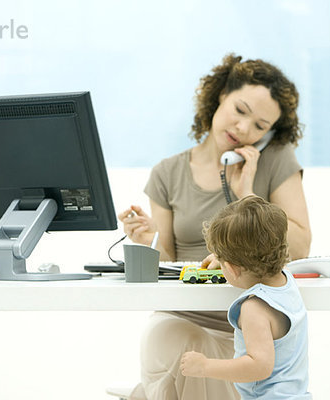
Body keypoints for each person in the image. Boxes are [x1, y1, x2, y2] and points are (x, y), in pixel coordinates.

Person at [118, 53, 311, 400]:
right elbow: (167, 261)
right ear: (220, 95)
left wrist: (247, 194)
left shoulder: (275, 161)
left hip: (247, 330)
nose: (243, 129)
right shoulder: (167, 173)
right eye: (240, 110)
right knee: (171, 337)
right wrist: (150, 239)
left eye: (260, 126)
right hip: (184, 316)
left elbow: (299, 248)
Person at [180, 195, 311, 400]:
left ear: (232, 269)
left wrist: (205, 366)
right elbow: (259, 251)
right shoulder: (286, 281)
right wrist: (226, 258)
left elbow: (258, 366)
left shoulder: (254, 308)